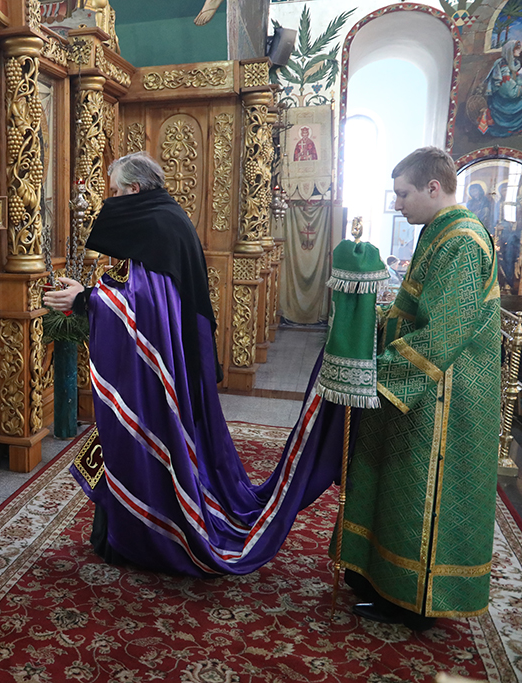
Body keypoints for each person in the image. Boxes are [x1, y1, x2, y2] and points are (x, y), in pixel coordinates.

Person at [45, 152, 347, 576]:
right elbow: (143, 294)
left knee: (154, 438)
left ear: (134, 189)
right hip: (173, 358)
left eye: (115, 191)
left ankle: (152, 535)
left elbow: (148, 305)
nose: (110, 199)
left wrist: (86, 299)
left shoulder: (157, 225)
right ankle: (121, 531)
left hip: (162, 370)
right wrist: (92, 295)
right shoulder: (164, 216)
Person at [337, 147, 499, 631]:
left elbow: (443, 331)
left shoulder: (463, 241)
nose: (397, 204)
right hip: (424, 387)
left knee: (418, 496)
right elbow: (412, 309)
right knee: (393, 484)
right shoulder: (439, 230)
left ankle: (413, 601)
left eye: (403, 194)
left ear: (433, 187)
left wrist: (377, 374)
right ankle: (378, 578)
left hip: (445, 396)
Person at [479, 40, 522, 137]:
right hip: (502, 102)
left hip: (509, 96)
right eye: (517, 49)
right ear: (510, 50)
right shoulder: (503, 66)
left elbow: (515, 80)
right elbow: (509, 91)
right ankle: (512, 127)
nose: (520, 51)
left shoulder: (514, 63)